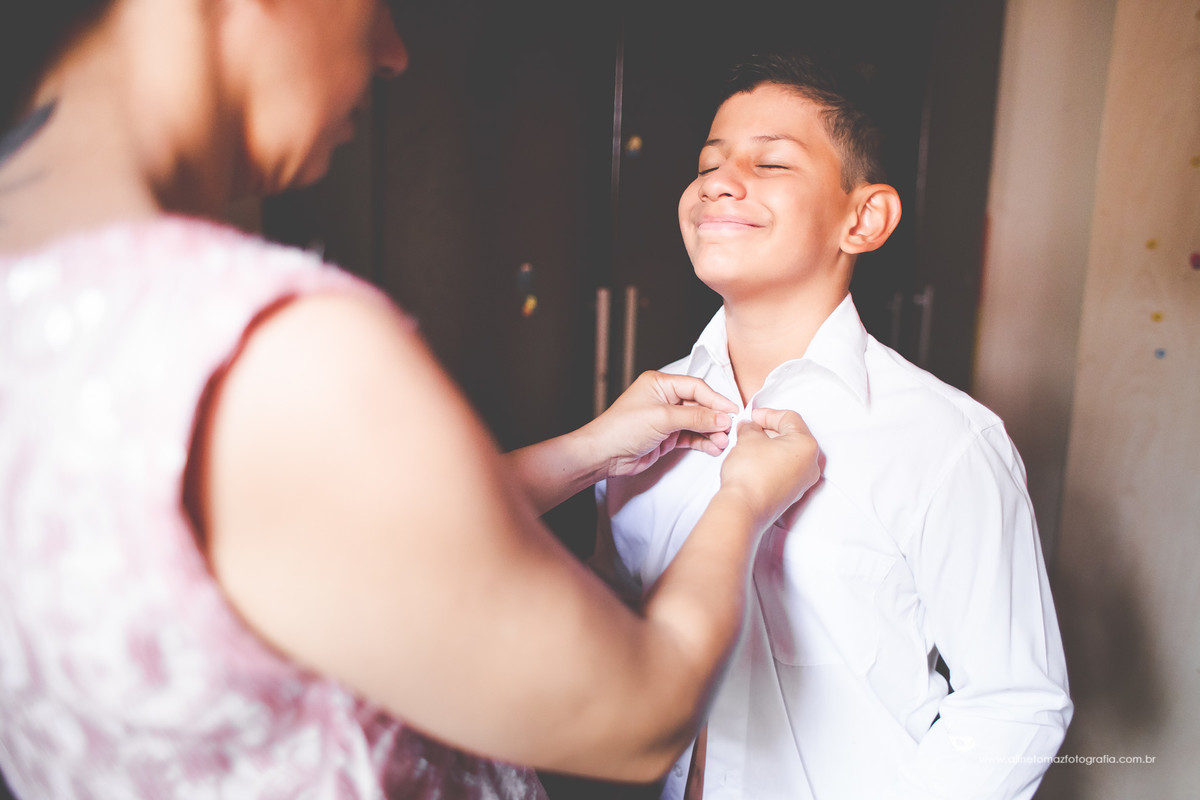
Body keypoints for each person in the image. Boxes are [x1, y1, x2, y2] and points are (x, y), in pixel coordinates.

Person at [0, 3, 823, 797]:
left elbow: (293, 537)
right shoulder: (278, 349)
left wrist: (588, 450)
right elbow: (642, 716)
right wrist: (744, 496)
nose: (391, 50)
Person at [592, 53, 1073, 799]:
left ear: (863, 218)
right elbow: (611, 623)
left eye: (771, 164)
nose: (718, 181)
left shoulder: (944, 439)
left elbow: (1016, 703)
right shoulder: (637, 427)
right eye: (708, 163)